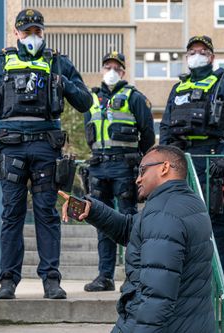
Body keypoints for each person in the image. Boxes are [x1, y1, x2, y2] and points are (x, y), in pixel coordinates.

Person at [0, 8, 93, 300]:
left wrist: (66, 84)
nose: (32, 36)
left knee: (47, 214)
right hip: (10, 147)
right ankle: (8, 281)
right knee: (11, 214)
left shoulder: (57, 62)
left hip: (45, 148)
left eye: (37, 31)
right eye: (27, 32)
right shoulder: (2, 61)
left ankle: (51, 280)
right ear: (17, 34)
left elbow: (86, 102)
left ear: (43, 32)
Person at [59, 145, 215, 332]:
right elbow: (132, 230)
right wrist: (92, 210)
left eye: (142, 170)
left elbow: (156, 296)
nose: (138, 178)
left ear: (164, 168)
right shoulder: (185, 203)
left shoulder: (164, 213)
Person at [159, 35, 224, 277]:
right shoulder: (178, 87)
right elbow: (166, 126)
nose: (196, 55)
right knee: (177, 218)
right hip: (180, 160)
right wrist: (164, 156)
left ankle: (220, 280)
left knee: (214, 218)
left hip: (212, 159)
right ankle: (185, 278)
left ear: (211, 56)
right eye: (192, 51)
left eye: (202, 51)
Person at [82, 51, 155, 292]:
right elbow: (88, 131)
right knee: (102, 221)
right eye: (108, 66)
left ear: (123, 72)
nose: (112, 71)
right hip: (98, 166)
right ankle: (105, 277)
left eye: (116, 67)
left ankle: (134, 276)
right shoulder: (91, 99)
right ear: (102, 70)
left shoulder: (134, 98)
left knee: (130, 221)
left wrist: (138, 162)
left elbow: (147, 135)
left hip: (125, 167)